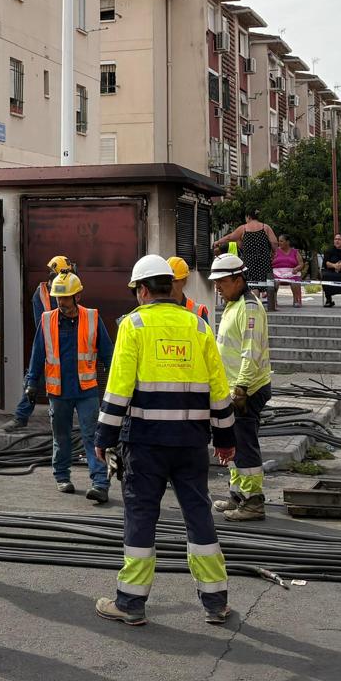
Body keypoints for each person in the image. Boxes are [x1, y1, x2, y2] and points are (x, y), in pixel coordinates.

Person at [92, 254, 236, 627]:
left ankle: (131, 603)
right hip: (190, 442)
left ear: (142, 290)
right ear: (170, 287)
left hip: (145, 442)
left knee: (141, 518)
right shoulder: (200, 327)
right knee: (198, 515)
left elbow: (119, 387)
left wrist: (103, 436)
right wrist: (225, 438)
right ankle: (215, 602)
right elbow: (220, 392)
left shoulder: (134, 325)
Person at [25, 271, 114, 503]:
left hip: (86, 391)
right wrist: (31, 383)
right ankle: (62, 475)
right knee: (61, 437)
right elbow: (37, 355)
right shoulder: (47, 320)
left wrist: (116, 384)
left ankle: (100, 483)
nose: (61, 302)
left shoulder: (93, 318)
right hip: (59, 392)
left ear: (78, 296)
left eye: (65, 298)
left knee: (92, 437)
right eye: (58, 298)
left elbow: (108, 353)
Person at [209, 254, 274, 522]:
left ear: (238, 279)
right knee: (234, 445)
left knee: (245, 446)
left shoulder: (249, 308)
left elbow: (251, 352)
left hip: (245, 391)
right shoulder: (233, 305)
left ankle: (253, 502)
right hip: (233, 389)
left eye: (222, 281)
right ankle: (238, 496)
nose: (217, 287)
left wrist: (241, 389)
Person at [5, 255, 75, 430]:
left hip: (67, 342)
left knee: (72, 379)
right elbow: (41, 325)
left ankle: (70, 419)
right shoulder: (42, 294)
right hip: (47, 341)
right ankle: (21, 417)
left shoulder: (70, 290)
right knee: (33, 379)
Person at [213, 211, 277, 309]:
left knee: (252, 284)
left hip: (249, 260)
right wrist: (273, 252)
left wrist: (218, 241)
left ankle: (253, 305)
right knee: (267, 282)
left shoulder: (244, 228)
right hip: (264, 260)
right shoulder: (266, 227)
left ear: (248, 217)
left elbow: (230, 237)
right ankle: (272, 304)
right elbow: (274, 242)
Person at [167, 257, 212, 327]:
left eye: (174, 281)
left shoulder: (198, 311)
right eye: (166, 281)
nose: (169, 285)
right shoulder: (157, 310)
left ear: (184, 281)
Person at [272, 234, 303, 308]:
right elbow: (269, 262)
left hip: (292, 272)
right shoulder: (275, 251)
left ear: (287, 242)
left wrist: (296, 269)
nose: (279, 243)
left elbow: (301, 264)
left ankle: (296, 300)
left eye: (281, 241)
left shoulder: (295, 252)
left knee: (295, 281)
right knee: (274, 282)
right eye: (279, 241)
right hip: (277, 272)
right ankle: (273, 301)